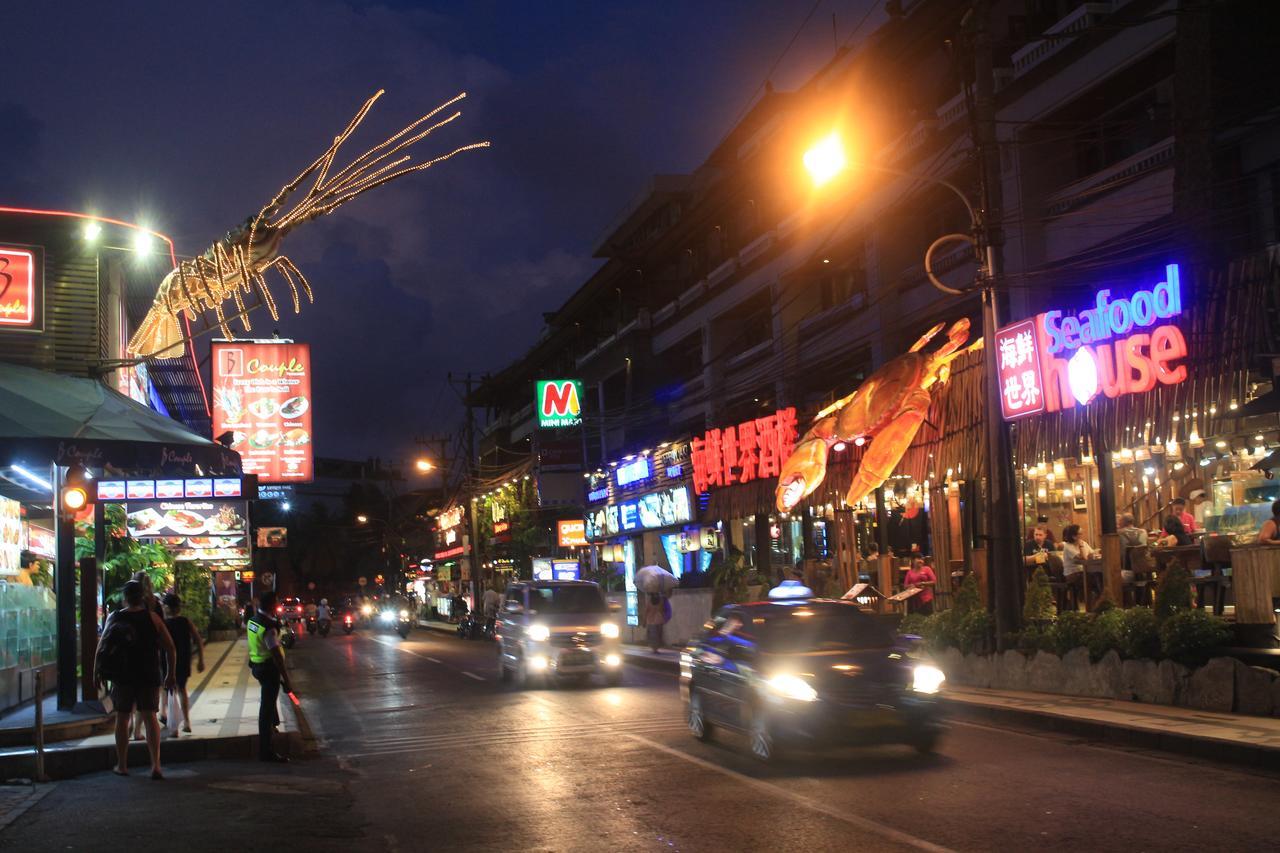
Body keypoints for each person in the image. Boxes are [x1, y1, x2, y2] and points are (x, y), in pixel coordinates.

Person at [94, 580, 177, 779]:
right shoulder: (153, 618)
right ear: (143, 597)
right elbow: (170, 648)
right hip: (148, 674)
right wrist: (171, 674)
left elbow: (101, 646)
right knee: (150, 718)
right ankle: (155, 765)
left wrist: (95, 673)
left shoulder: (115, 617)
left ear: (124, 598)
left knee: (122, 718)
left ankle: (122, 764)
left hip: (122, 676)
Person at [247, 591, 293, 763]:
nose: (279, 605)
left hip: (256, 665)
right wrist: (287, 680)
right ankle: (266, 751)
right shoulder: (269, 627)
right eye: (277, 602)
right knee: (265, 711)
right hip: (268, 668)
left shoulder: (253, 620)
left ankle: (273, 727)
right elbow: (276, 655)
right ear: (272, 606)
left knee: (269, 702)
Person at [161, 593, 205, 737]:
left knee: (169, 691)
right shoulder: (186, 622)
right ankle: (186, 721)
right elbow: (198, 639)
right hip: (183, 660)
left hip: (167, 662)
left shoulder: (163, 624)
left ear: (167, 607)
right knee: (181, 690)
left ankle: (173, 727)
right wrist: (200, 660)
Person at [1061, 524, 1096, 606]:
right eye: (1080, 534)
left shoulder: (1084, 543)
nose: (1082, 536)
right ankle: (1090, 605)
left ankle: (1095, 602)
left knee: (1098, 576)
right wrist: (1081, 546)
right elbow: (1084, 558)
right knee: (1093, 578)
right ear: (1074, 536)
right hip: (1072, 574)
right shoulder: (1068, 546)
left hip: (1082, 571)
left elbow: (1092, 553)